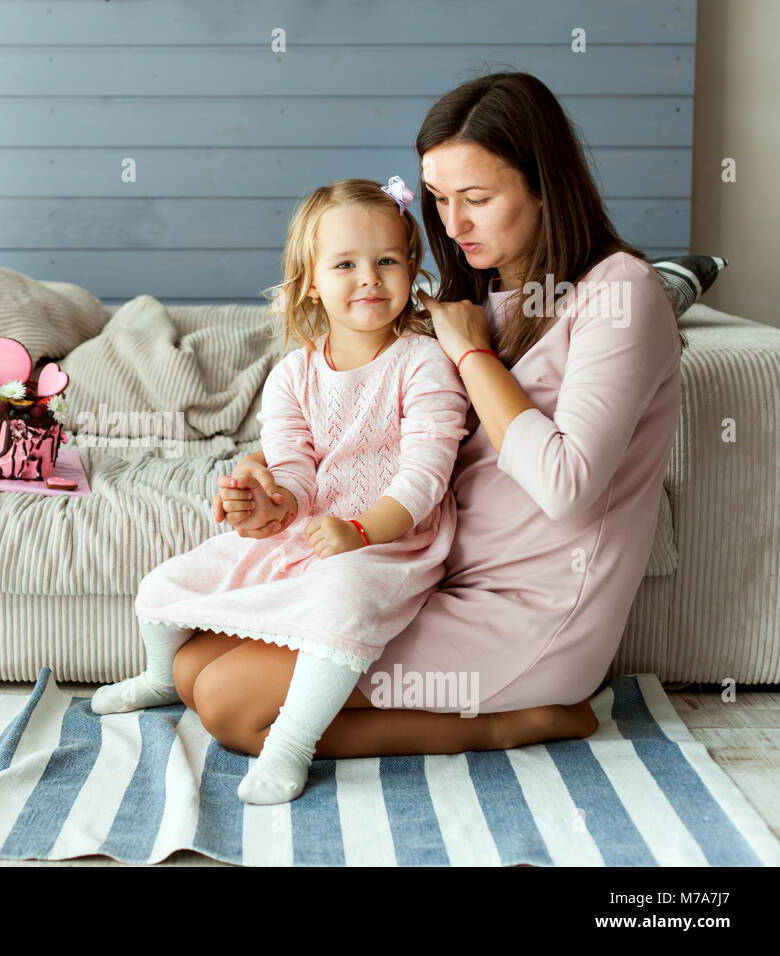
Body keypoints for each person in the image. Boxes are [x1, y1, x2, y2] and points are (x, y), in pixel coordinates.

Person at [191, 71, 686, 770]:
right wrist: (270, 480)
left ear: (546, 184)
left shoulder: (619, 294)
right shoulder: (473, 294)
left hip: (526, 615)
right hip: (428, 582)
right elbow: (370, 434)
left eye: (477, 199)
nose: (453, 225)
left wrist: (473, 352)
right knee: (192, 662)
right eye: (439, 199)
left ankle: (511, 722)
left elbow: (568, 484)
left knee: (230, 704)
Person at [92, 175, 472, 806]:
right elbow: (292, 467)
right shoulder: (294, 373)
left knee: (342, 605)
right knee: (166, 583)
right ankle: (161, 676)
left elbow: (425, 474)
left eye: (386, 261)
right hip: (308, 533)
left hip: (388, 543)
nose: (369, 278)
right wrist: (271, 506)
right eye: (345, 263)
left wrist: (362, 530)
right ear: (310, 283)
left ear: (411, 268)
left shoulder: (422, 362)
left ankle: (291, 743)